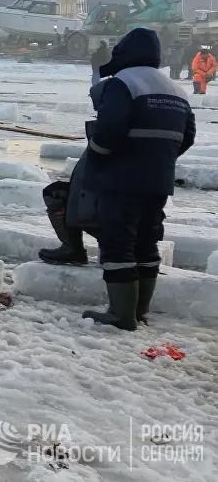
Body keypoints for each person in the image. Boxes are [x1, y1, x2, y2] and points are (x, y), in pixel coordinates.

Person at [72, 28, 194, 331]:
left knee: (118, 241)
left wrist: (98, 158)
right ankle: (140, 310)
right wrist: (161, 159)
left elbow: (109, 129)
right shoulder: (175, 89)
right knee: (147, 240)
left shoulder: (124, 82)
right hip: (159, 178)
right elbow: (188, 136)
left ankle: (120, 314)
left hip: (122, 177)